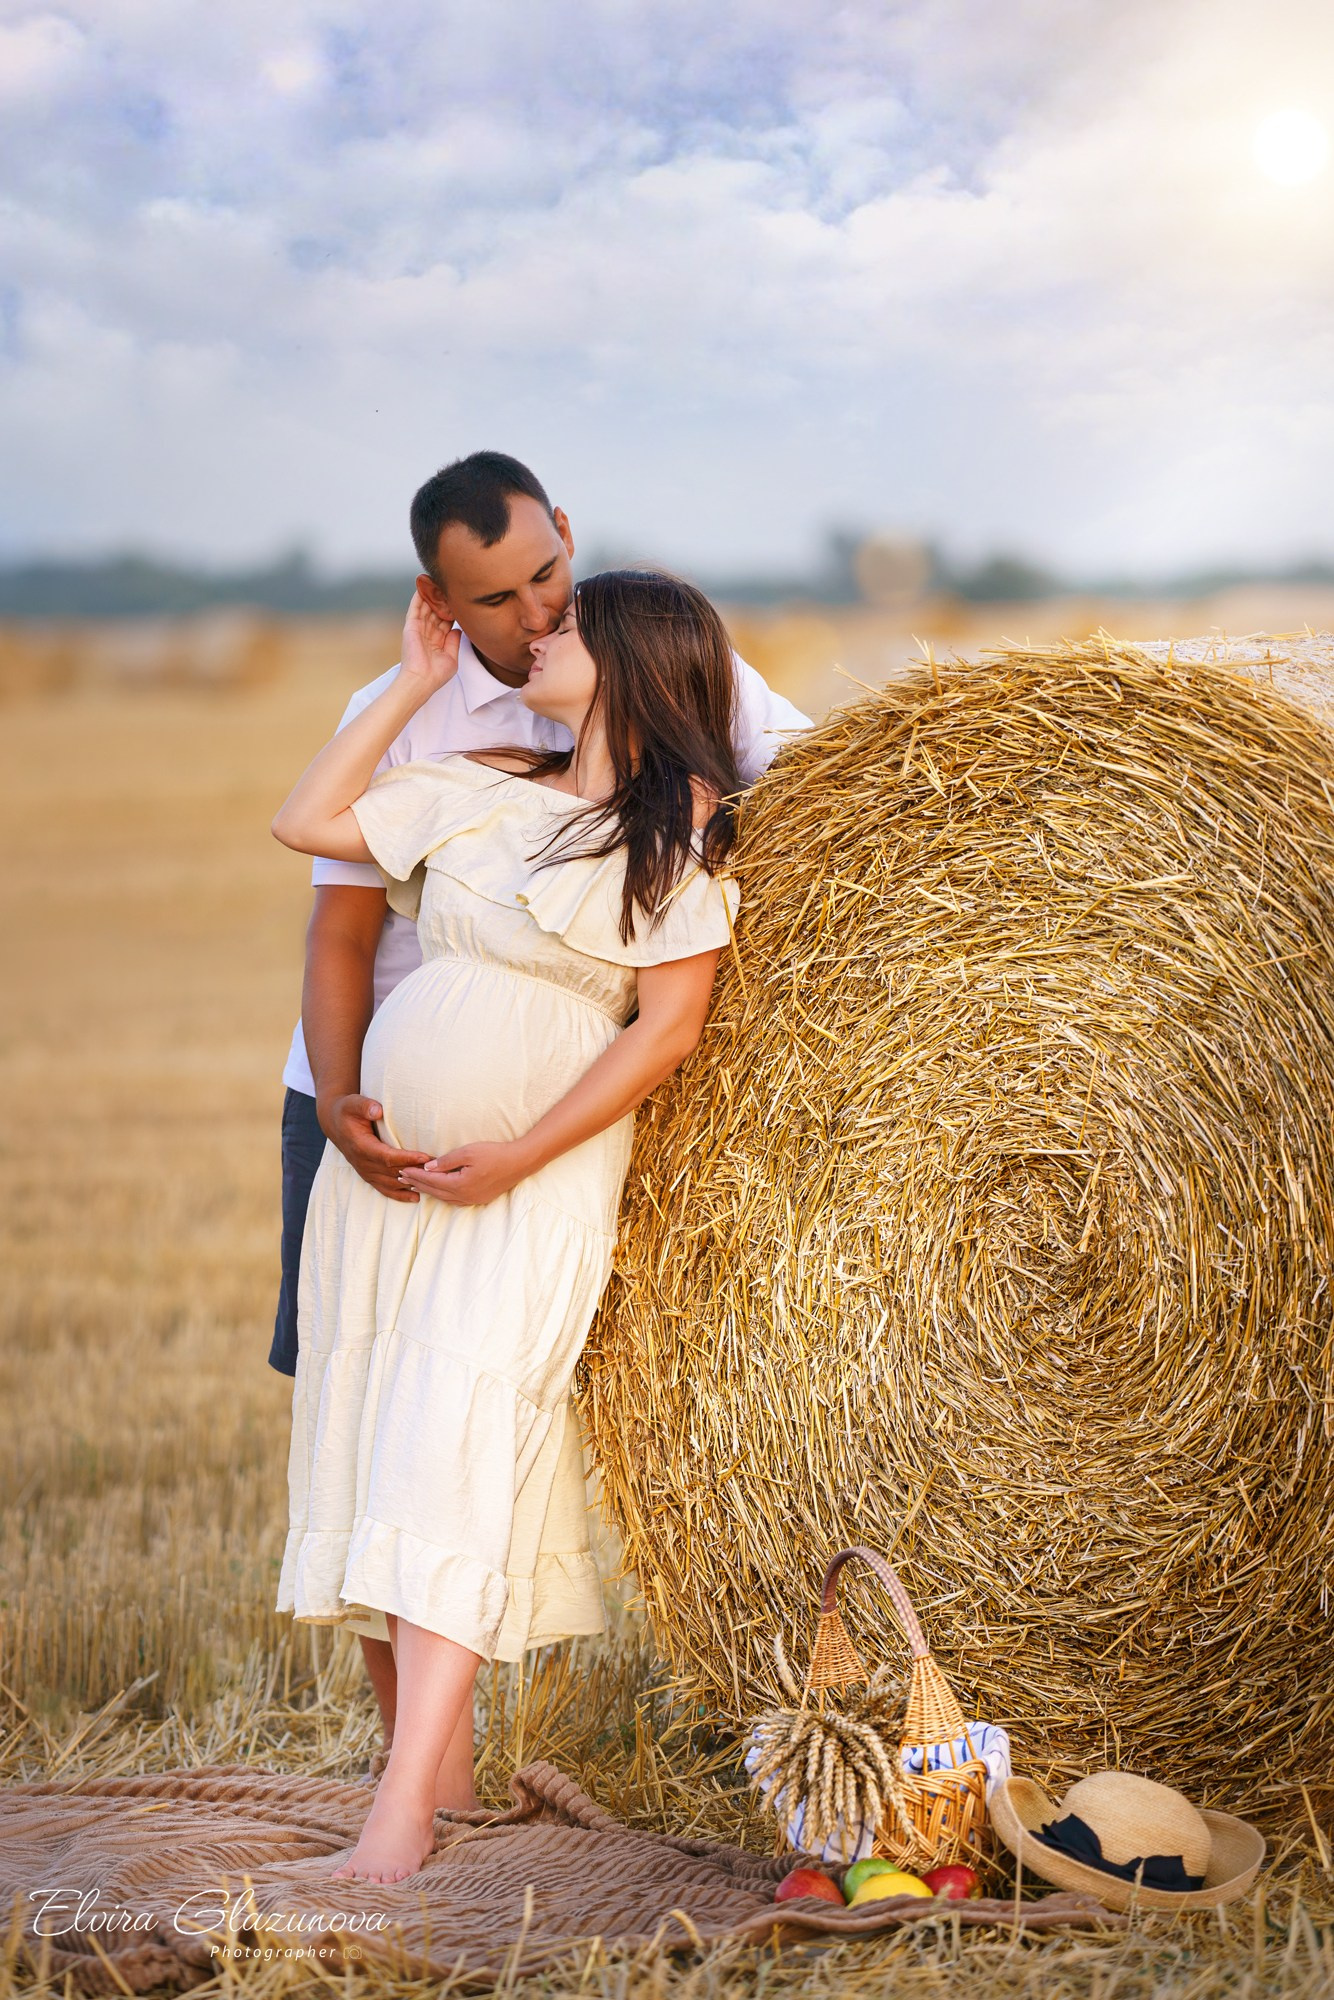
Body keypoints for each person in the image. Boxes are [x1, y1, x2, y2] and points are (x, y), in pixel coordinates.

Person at [268, 450, 810, 1766]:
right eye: (497, 602)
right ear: (439, 600)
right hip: (361, 1113)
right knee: (364, 1412)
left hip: (530, 1150)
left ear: (568, 541)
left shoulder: (658, 672)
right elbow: (337, 931)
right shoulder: (435, 741)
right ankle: (428, 1779)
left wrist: (687, 813)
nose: (532, 620)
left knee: (447, 1427)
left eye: (547, 584)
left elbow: (802, 800)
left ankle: (414, 1789)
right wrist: (343, 1099)